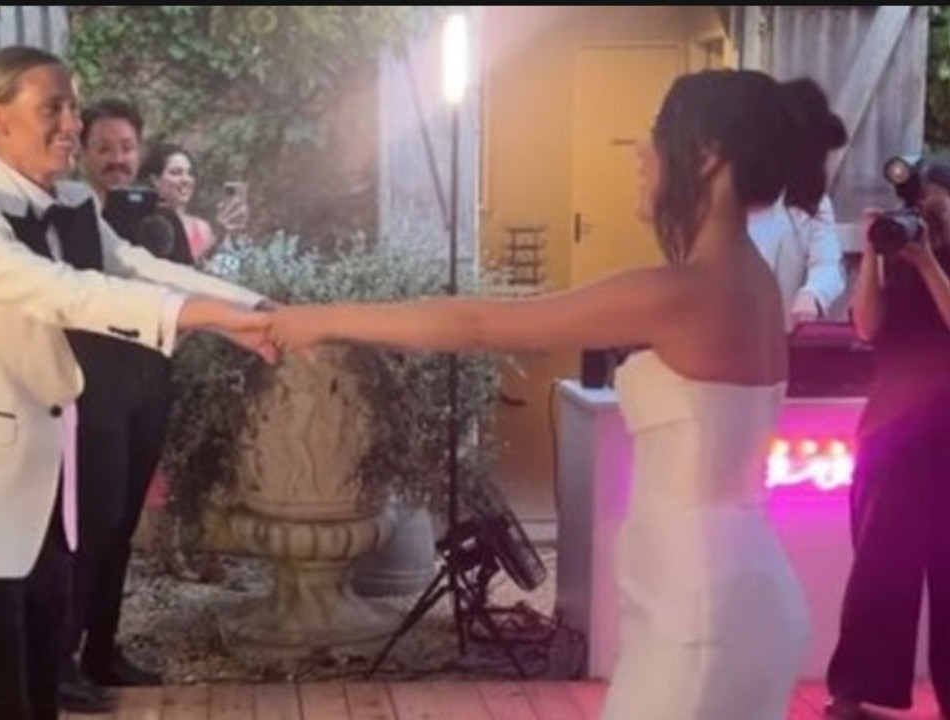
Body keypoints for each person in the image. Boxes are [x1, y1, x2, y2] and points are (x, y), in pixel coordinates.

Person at [268, 69, 847, 720]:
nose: (640, 153)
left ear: (708, 155)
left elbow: (480, 325)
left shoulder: (688, 291)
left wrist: (321, 318)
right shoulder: (751, 283)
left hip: (703, 618)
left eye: (658, 134)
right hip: (728, 599)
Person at [0, 45, 276, 720]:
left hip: (41, 507)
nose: (71, 123)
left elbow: (139, 267)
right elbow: (63, 292)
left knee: (40, 706)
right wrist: (201, 316)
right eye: (53, 107)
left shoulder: (72, 204)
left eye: (73, 106)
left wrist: (254, 309)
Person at [56, 98, 263, 712]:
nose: (117, 159)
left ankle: (101, 652)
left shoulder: (161, 218)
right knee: (91, 525)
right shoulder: (68, 214)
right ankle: (59, 660)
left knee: (121, 527)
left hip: (150, 382)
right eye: (104, 148)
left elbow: (180, 287)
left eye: (126, 148)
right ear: (84, 151)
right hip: (93, 387)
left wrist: (239, 307)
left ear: (138, 151)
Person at [824, 159, 950, 720]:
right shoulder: (893, 254)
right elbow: (867, 326)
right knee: (879, 567)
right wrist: (875, 255)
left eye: (938, 206)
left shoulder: (925, 259)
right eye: (922, 205)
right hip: (892, 430)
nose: (927, 216)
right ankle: (855, 693)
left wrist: (927, 263)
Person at [747, 192, 846, 329]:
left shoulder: (809, 201)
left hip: (784, 336)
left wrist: (813, 293)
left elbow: (828, 265)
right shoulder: (715, 204)